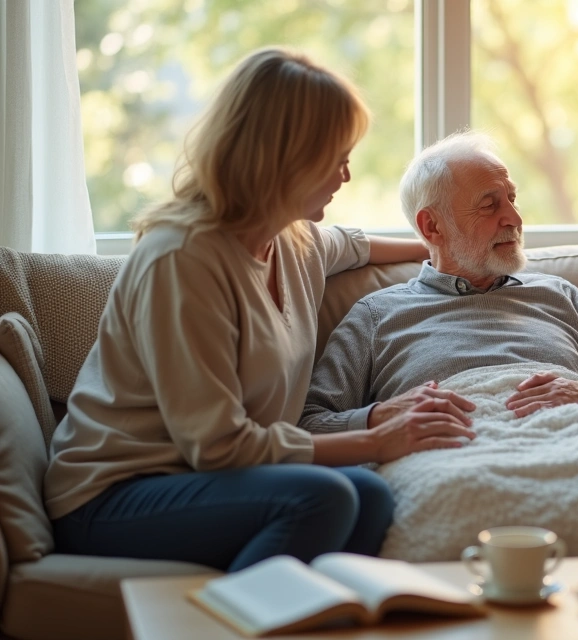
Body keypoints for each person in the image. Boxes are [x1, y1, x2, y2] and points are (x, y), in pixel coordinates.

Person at [43, 48, 477, 573]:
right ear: (284, 156)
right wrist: (376, 440)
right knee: (326, 496)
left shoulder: (294, 240)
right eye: (335, 156)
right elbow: (219, 447)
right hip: (117, 493)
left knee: (372, 495)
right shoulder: (182, 259)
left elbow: (356, 244)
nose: (346, 174)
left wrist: (441, 249)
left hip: (214, 482)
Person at [300, 131, 578, 436]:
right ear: (432, 227)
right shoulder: (377, 315)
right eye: (489, 205)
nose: (514, 217)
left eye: (511, 198)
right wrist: (380, 417)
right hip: (456, 463)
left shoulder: (560, 296)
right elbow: (310, 425)